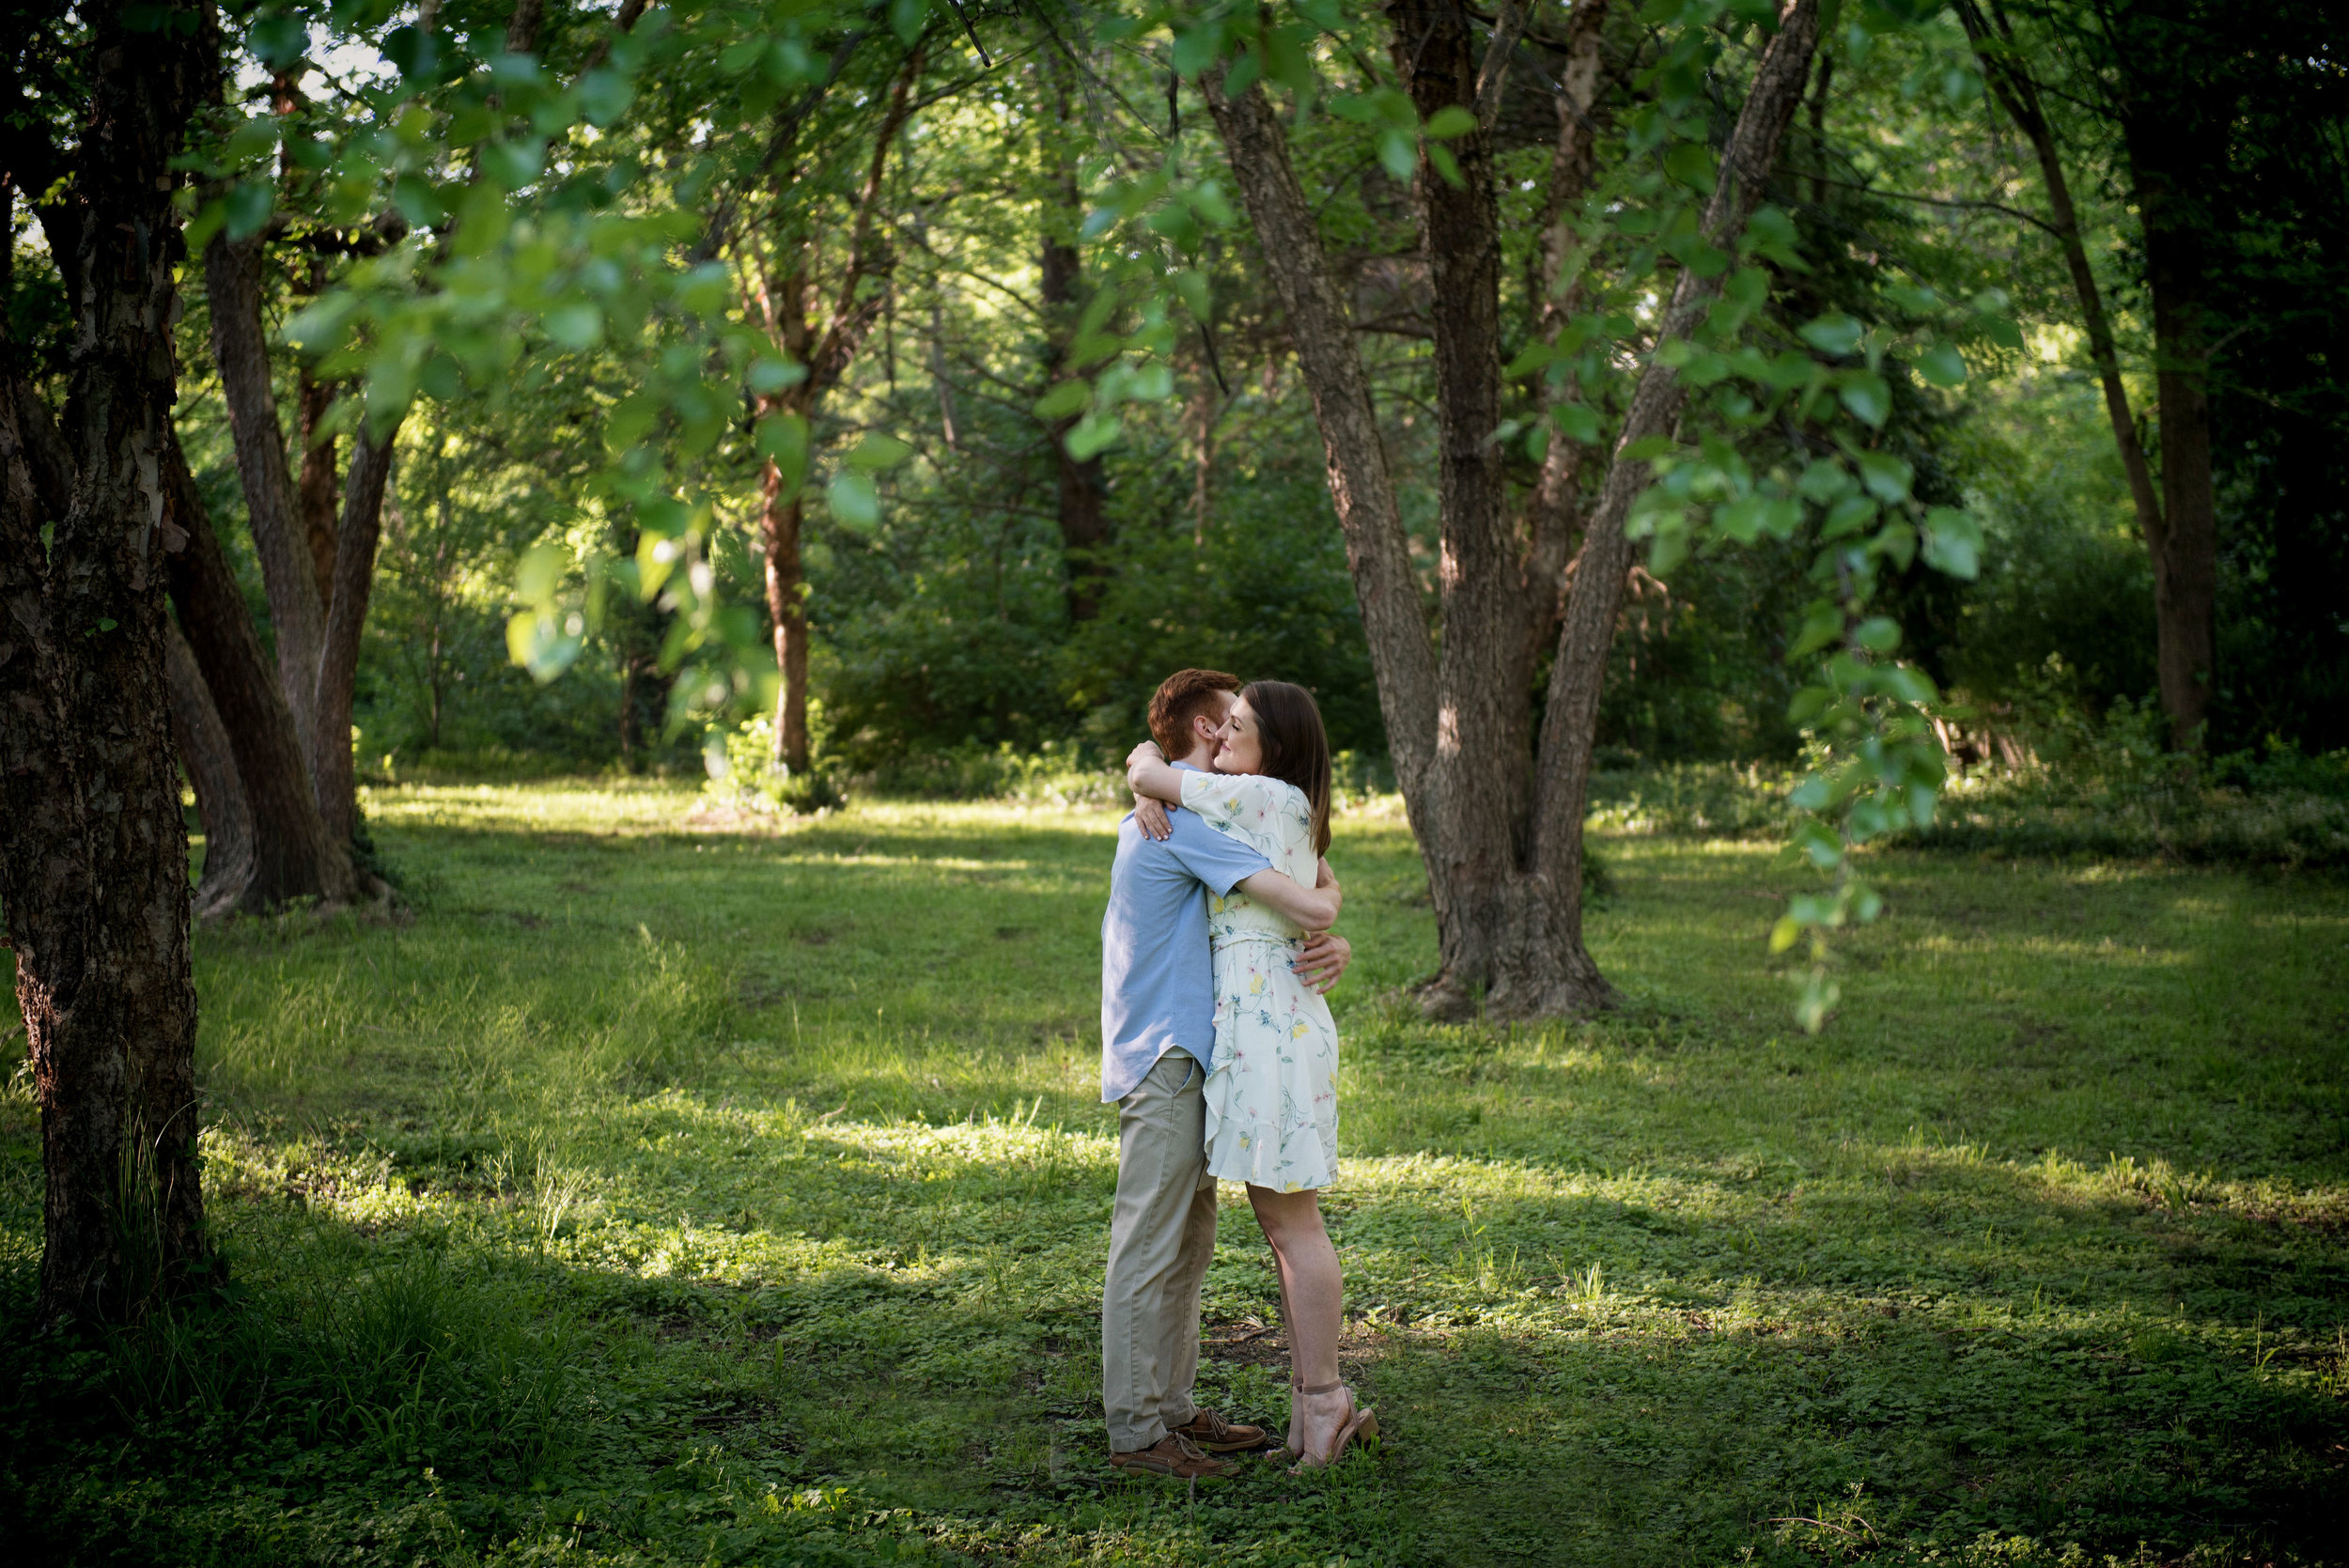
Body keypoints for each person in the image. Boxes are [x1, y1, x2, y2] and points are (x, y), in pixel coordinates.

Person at [1099, 669, 1353, 1482]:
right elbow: (1311, 894)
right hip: (1173, 1054)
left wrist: (1327, 935)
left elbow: (1306, 872)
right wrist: (1327, 923)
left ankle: (1171, 1408)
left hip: (1203, 1053)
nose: (1231, 733)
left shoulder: (1187, 812)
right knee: (1152, 1243)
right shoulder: (1186, 823)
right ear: (1207, 733)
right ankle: (1140, 1432)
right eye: (1226, 721)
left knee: (1185, 1243)